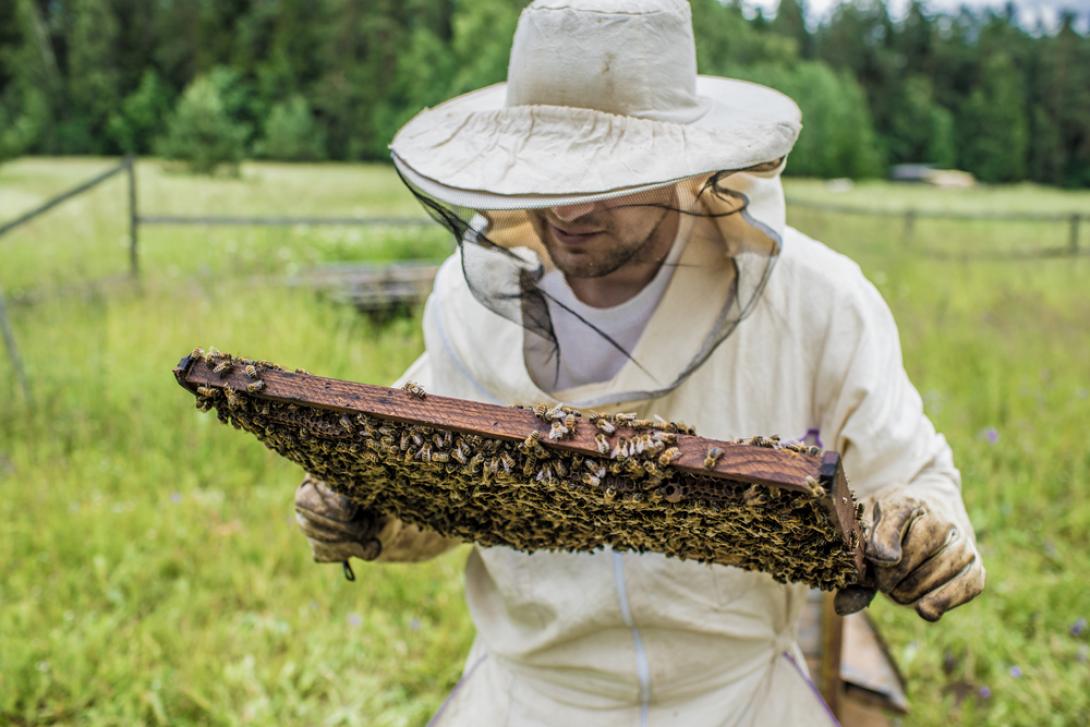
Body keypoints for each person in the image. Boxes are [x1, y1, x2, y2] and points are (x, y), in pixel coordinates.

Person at [293, 1, 985, 724]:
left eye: (607, 170)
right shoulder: (466, 304)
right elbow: (439, 495)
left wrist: (926, 531)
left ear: (684, 157)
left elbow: (914, 477)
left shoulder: (816, 299)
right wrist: (369, 513)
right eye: (549, 165)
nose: (569, 206)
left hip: (736, 698)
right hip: (530, 697)